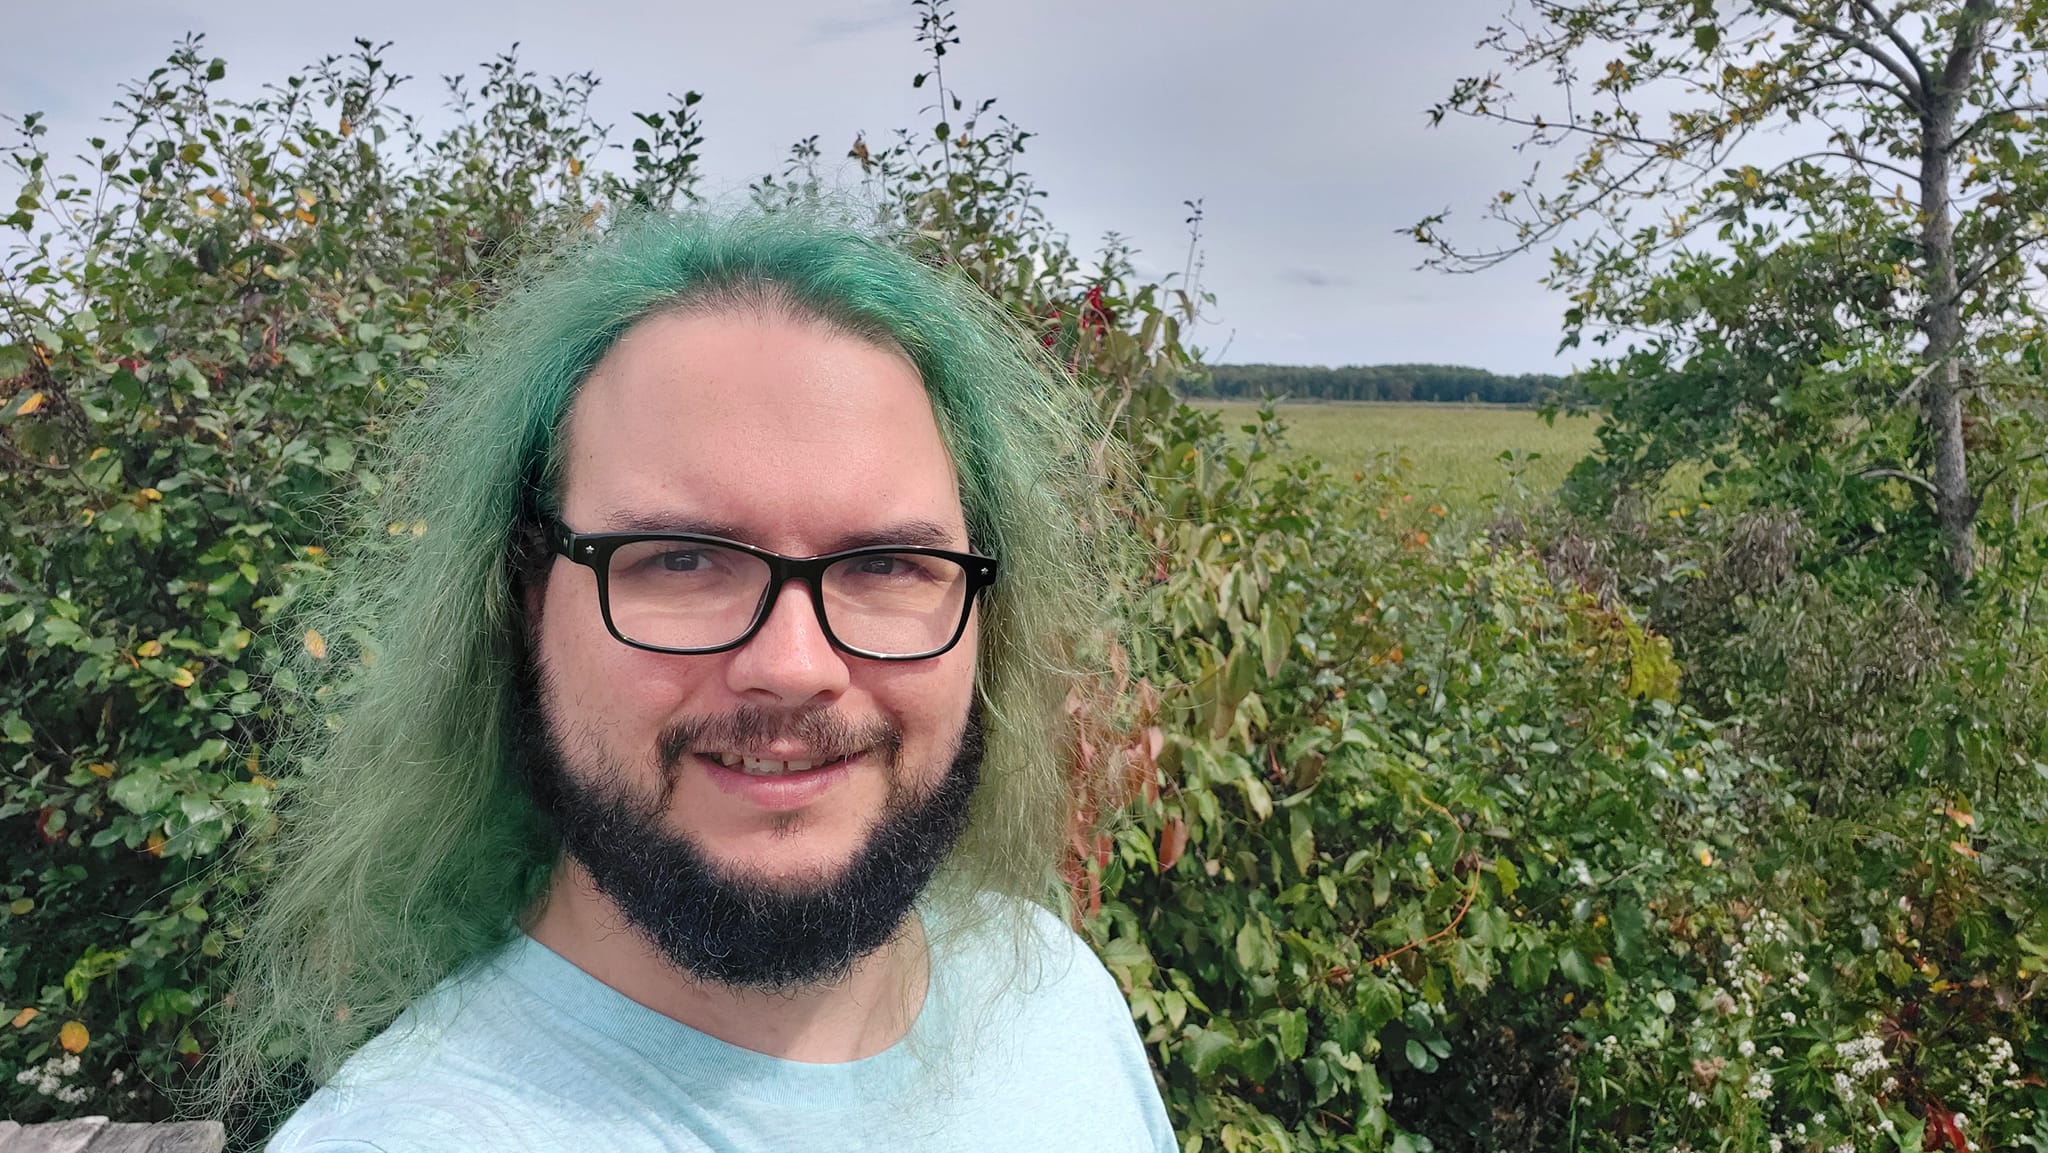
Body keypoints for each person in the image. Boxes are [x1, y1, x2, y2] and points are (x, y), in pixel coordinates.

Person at [222, 211, 1176, 1152]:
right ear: (523, 603)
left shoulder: (1050, 987)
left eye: (886, 564)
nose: (796, 668)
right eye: (679, 560)